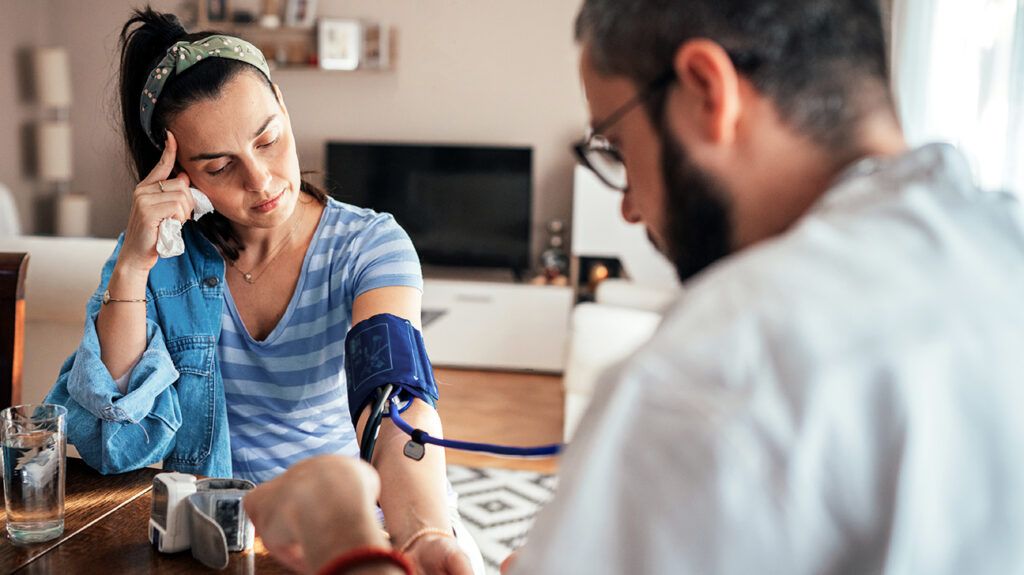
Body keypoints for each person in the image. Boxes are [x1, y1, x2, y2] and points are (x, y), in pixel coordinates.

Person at [242, 0, 1024, 573]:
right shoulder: (999, 245)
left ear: (707, 90)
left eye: (614, 145)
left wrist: (352, 544)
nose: (629, 204)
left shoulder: (718, 367)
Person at [44, 7, 481, 574]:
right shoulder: (158, 257)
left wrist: (419, 534)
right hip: (213, 539)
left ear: (283, 104)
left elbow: (395, 397)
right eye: (220, 166)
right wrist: (131, 267)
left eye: (268, 139)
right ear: (179, 175)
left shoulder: (370, 247)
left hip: (345, 528)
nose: (262, 180)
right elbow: (115, 439)